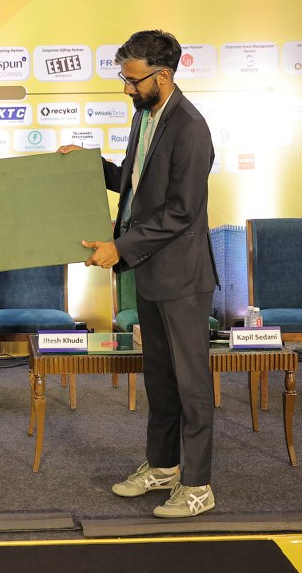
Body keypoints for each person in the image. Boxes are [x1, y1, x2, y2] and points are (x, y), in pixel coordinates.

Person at [59, 29, 217, 518]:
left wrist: (120, 248)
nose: (127, 88)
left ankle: (198, 486)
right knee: (161, 380)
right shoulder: (144, 116)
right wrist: (89, 166)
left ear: (162, 75)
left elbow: (181, 212)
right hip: (148, 270)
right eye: (124, 79)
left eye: (134, 80)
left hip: (182, 278)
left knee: (191, 385)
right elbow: (132, 183)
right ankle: (164, 466)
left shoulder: (191, 128)